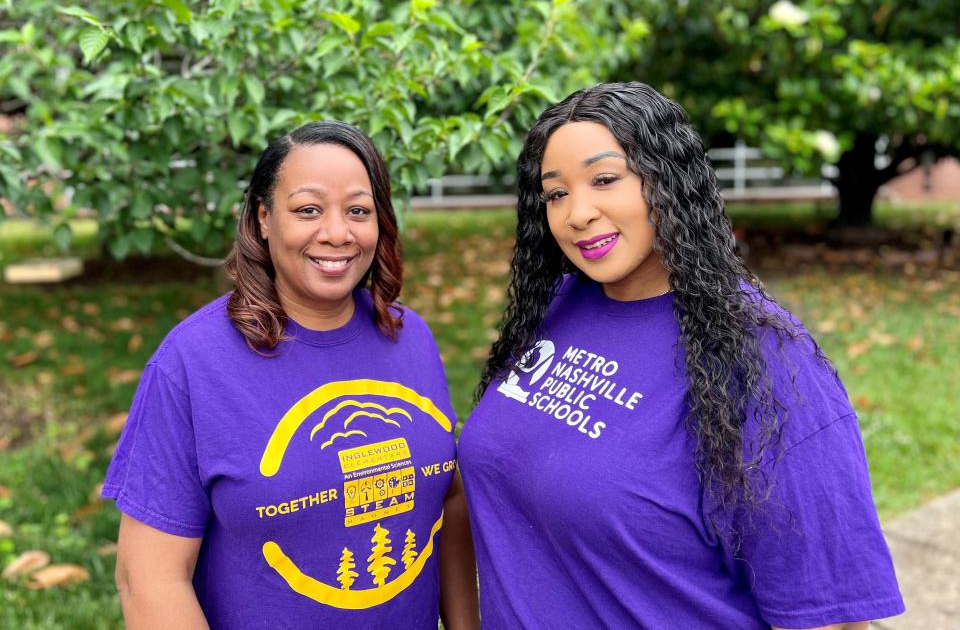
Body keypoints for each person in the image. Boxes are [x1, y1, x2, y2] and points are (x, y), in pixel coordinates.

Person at [458, 83, 904, 629]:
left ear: (668, 180)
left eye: (604, 180)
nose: (577, 214)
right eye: (555, 193)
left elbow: (827, 615)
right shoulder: (557, 308)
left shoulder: (764, 359)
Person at [103, 121, 479, 629]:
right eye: (308, 210)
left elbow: (447, 496)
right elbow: (148, 579)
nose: (337, 233)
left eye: (358, 211)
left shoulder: (409, 337)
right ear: (263, 218)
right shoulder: (193, 362)